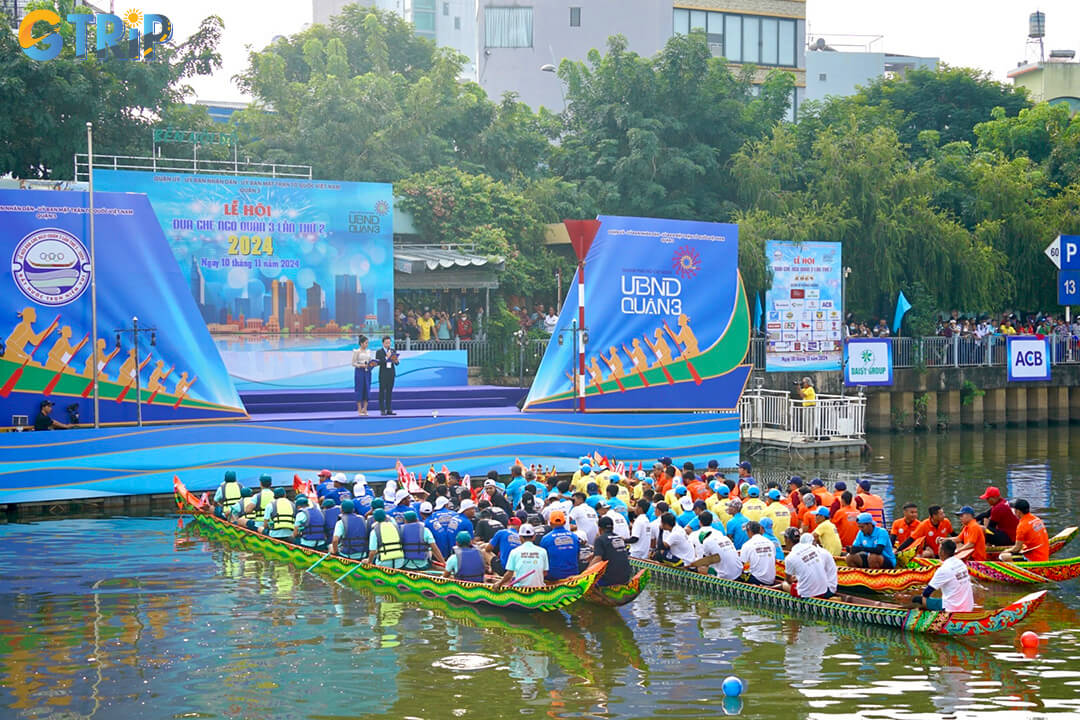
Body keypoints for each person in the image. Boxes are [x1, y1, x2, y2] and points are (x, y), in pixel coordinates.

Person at [910, 539, 974, 612]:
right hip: (968, 607)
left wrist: (924, 600)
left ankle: (925, 616)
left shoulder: (943, 569)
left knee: (917, 600)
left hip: (951, 608)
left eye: (939, 549)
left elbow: (927, 592)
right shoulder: (961, 564)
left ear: (942, 552)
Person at [783, 533, 838, 599]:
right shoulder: (814, 549)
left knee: (784, 584)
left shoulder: (790, 557)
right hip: (823, 588)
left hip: (827, 589)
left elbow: (788, 580)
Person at [494, 524, 549, 589]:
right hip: (539, 589)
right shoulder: (543, 551)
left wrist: (499, 583)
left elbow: (509, 574)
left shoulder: (514, 551)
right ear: (534, 537)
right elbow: (545, 572)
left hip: (520, 589)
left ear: (520, 537)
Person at [588, 515, 633, 586]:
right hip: (626, 577)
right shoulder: (619, 538)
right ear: (613, 528)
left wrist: (584, 573)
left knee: (591, 581)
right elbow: (613, 551)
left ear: (599, 529)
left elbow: (597, 558)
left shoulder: (600, 539)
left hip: (610, 579)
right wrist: (594, 554)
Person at [540, 510, 581, 580]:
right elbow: (578, 555)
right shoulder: (574, 537)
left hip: (553, 576)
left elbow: (542, 560)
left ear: (550, 523)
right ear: (564, 522)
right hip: (573, 575)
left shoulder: (546, 538)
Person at [375, 336, 399, 415]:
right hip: (383, 374)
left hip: (391, 373)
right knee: (382, 392)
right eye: (386, 343)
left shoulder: (393, 350)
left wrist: (396, 360)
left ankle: (389, 409)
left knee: (389, 392)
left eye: (389, 343)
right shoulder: (379, 352)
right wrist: (386, 357)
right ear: (383, 343)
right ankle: (382, 409)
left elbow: (397, 363)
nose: (388, 344)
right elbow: (378, 362)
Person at [351, 335, 374, 416]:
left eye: (367, 343)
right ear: (361, 343)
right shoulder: (356, 351)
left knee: (367, 389)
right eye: (365, 343)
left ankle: (365, 409)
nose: (367, 344)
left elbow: (370, 361)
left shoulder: (368, 351)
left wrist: (372, 364)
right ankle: (359, 410)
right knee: (359, 389)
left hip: (367, 371)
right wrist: (361, 365)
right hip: (359, 372)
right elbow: (353, 363)